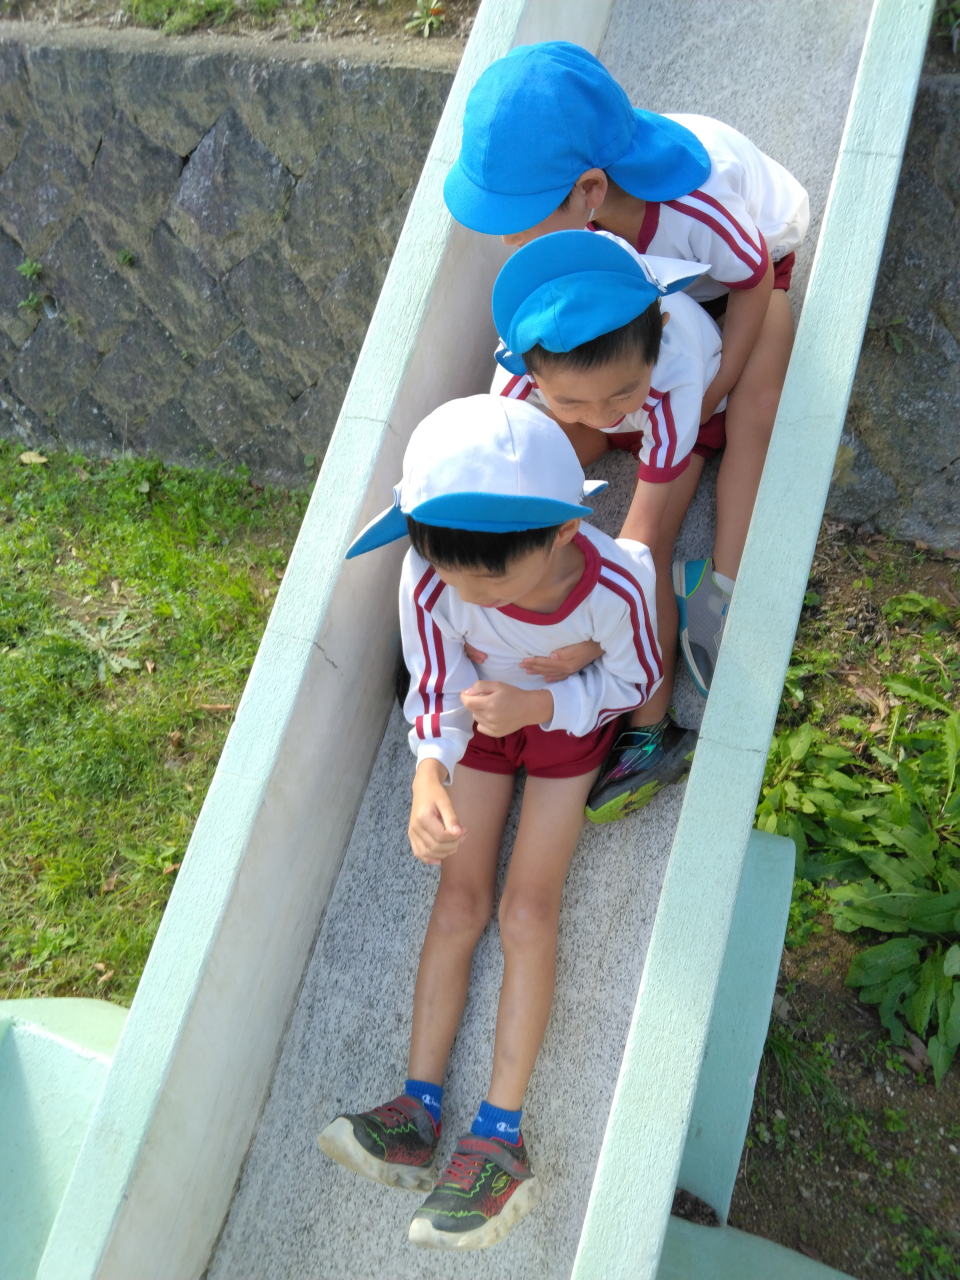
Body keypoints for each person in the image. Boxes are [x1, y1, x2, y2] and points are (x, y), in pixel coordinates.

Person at [318, 394, 661, 1250]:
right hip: (478, 727)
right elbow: (434, 683)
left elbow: (635, 680)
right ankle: (418, 1108)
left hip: (564, 730)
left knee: (526, 910)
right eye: (450, 571)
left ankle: (500, 1138)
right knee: (458, 901)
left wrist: (543, 701)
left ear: (565, 533)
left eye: (492, 581)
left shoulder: (617, 581)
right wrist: (427, 773)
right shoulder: (430, 569)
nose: (466, 593)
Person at [443, 40, 809, 699]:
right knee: (581, 409)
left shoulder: (695, 208)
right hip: (637, 294)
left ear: (589, 191)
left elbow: (753, 277)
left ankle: (723, 585)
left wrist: (718, 387)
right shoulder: (578, 219)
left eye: (519, 219)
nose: (507, 239)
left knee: (755, 409)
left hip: (736, 282)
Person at [486, 229, 718, 821]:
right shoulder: (521, 377)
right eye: (569, 402)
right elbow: (496, 481)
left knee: (650, 552)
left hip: (685, 420)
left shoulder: (674, 372)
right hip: (632, 414)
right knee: (522, 498)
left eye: (619, 392)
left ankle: (652, 731)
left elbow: (637, 544)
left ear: (660, 332)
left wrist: (596, 642)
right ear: (530, 375)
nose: (599, 413)